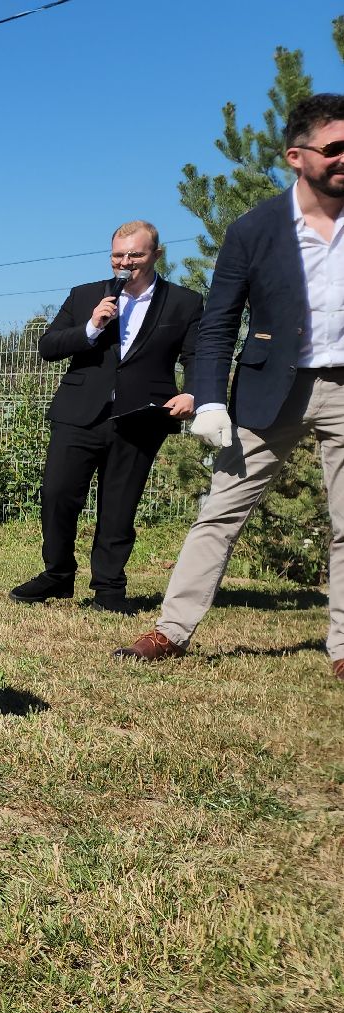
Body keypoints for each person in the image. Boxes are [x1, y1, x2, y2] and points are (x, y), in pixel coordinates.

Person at [115, 92, 344, 680]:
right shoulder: (254, 229)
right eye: (334, 148)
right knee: (220, 511)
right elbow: (219, 321)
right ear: (296, 155)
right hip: (270, 390)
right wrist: (211, 395)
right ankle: (171, 629)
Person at [11, 222, 203, 613]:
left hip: (141, 417)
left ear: (156, 255)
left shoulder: (185, 302)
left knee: (119, 506)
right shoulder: (85, 296)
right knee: (57, 495)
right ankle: (58, 574)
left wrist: (193, 392)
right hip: (80, 414)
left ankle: (109, 588)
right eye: (118, 255)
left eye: (135, 255)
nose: (125, 262)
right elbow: (48, 346)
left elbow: (196, 355)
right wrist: (92, 326)